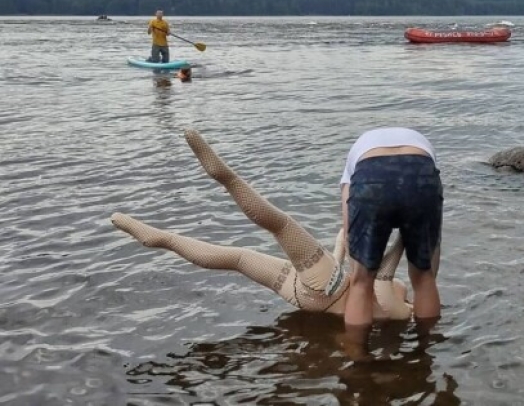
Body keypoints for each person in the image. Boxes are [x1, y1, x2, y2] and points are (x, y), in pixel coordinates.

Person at [111, 129, 414, 323]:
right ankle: (159, 238)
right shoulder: (389, 308)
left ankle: (223, 174)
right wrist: (341, 245)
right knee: (238, 258)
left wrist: (403, 237)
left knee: (279, 223)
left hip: (326, 285)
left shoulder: (399, 310)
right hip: (306, 294)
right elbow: (366, 278)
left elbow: (384, 275)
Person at [340, 127, 443, 349]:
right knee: (425, 279)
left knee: (361, 284)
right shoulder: (419, 142)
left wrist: (359, 269)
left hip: (370, 173)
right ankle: (426, 354)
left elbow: (348, 227)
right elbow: (432, 263)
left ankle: (357, 358)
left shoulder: (355, 157)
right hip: (421, 170)